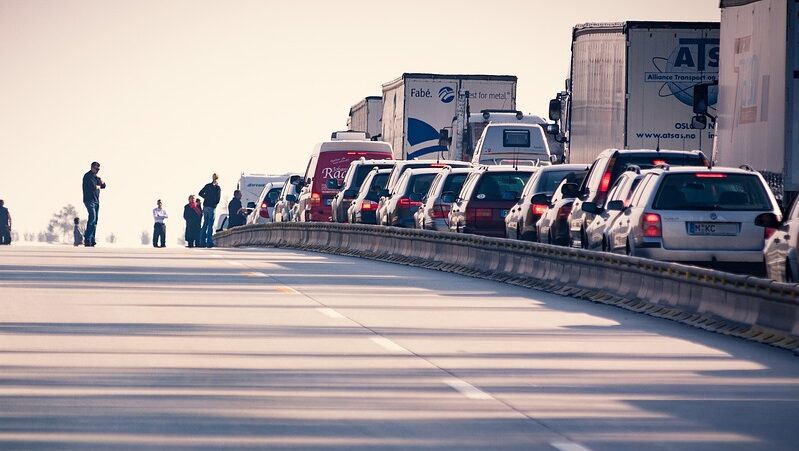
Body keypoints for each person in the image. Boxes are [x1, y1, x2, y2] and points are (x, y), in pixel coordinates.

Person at [82, 161, 106, 247]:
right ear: (92, 167)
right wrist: (99, 185)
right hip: (89, 200)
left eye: (98, 169)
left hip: (96, 201)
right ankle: (87, 239)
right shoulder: (88, 176)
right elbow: (93, 187)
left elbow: (104, 186)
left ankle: (92, 239)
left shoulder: (96, 177)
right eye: (96, 168)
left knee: (95, 221)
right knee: (92, 218)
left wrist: (100, 181)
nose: (97, 170)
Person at [198, 173, 221, 248]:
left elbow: (200, 193)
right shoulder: (217, 188)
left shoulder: (207, 186)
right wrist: (213, 202)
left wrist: (206, 197)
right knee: (210, 224)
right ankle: (209, 242)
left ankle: (202, 242)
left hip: (205, 206)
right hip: (212, 207)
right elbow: (218, 199)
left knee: (205, 224)